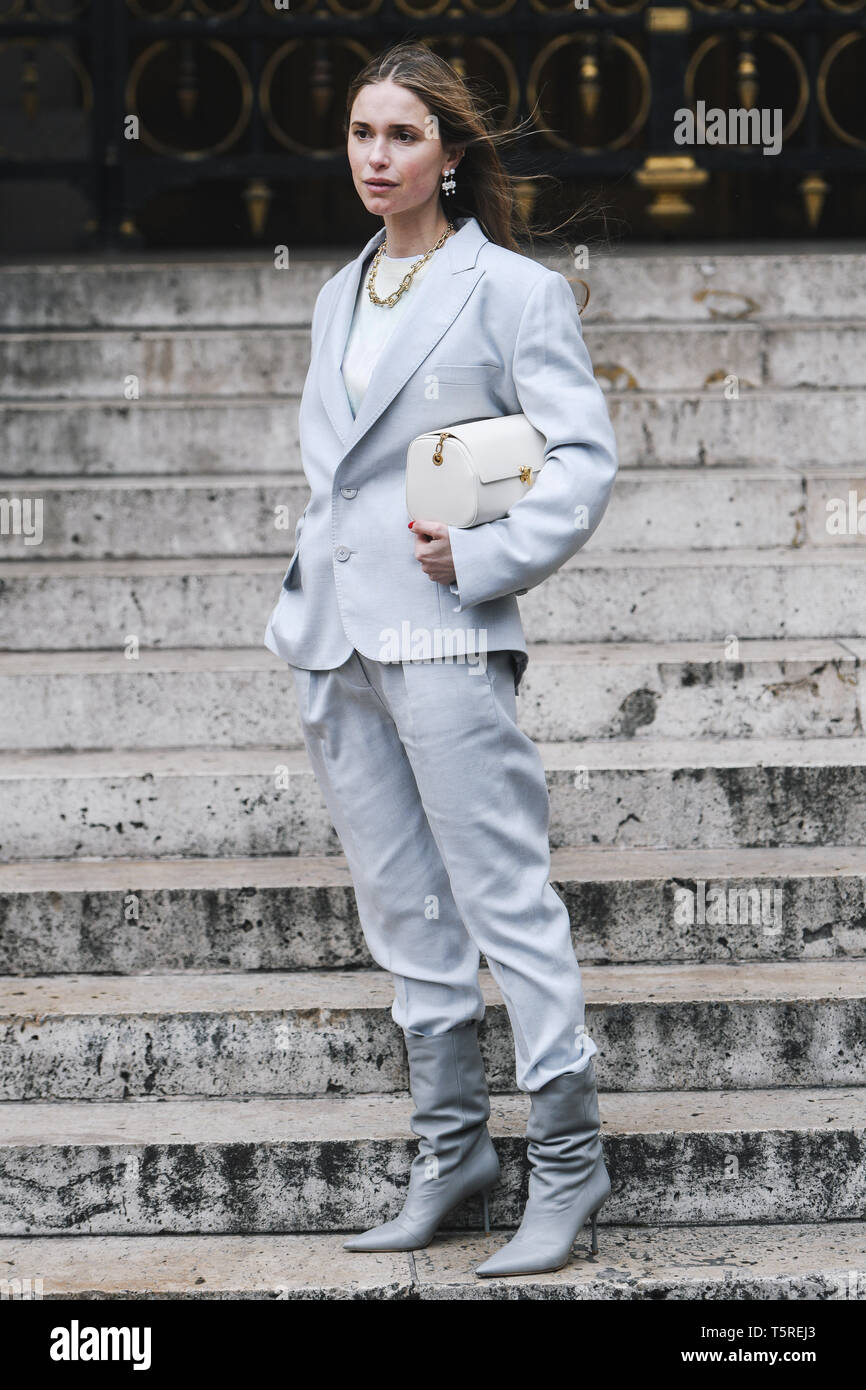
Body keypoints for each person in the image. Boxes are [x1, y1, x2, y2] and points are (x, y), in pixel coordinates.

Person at [263, 40, 619, 1277]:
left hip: (447, 628)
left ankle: (568, 1167)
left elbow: (579, 460)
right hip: (335, 641)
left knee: (502, 901)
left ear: (450, 156)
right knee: (405, 914)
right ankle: (450, 1151)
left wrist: (476, 558)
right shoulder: (335, 290)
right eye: (361, 134)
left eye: (401, 136)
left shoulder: (511, 291)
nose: (375, 157)